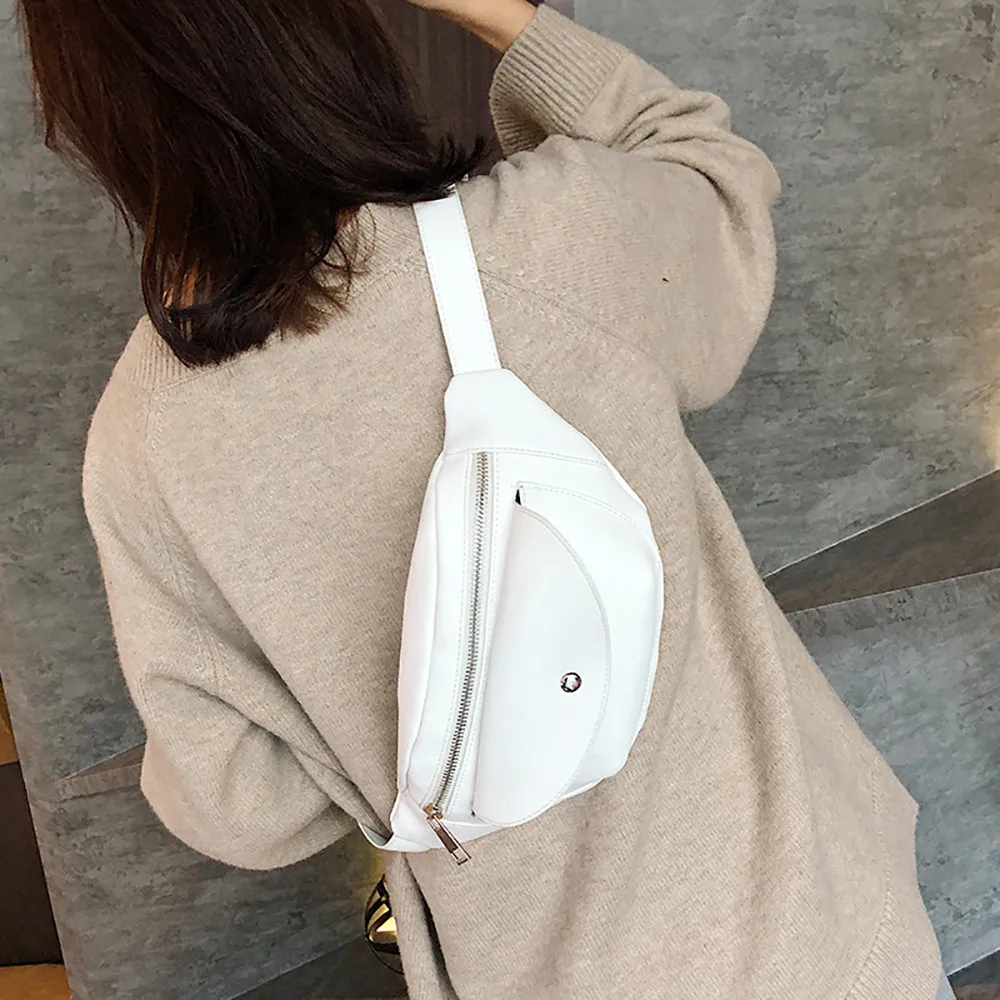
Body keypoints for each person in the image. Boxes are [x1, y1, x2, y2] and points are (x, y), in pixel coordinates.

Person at [19, 0, 954, 995]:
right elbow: (710, 169)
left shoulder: (143, 447)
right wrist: (504, 17)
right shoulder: (548, 239)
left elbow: (243, 808)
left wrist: (374, 711)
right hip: (817, 922)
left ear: (92, 116)